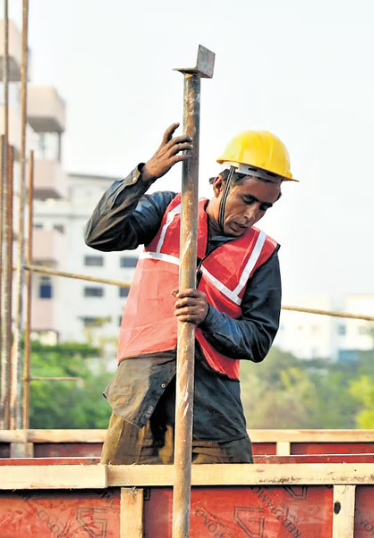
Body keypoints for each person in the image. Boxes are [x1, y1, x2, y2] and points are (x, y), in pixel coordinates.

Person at [85, 123, 295, 465]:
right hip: (140, 389)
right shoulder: (168, 212)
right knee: (123, 494)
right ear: (219, 184)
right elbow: (100, 236)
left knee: (227, 497)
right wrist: (145, 175)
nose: (252, 215)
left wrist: (209, 317)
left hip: (213, 401)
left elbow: (258, 341)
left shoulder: (263, 254)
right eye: (247, 200)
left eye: (264, 207)